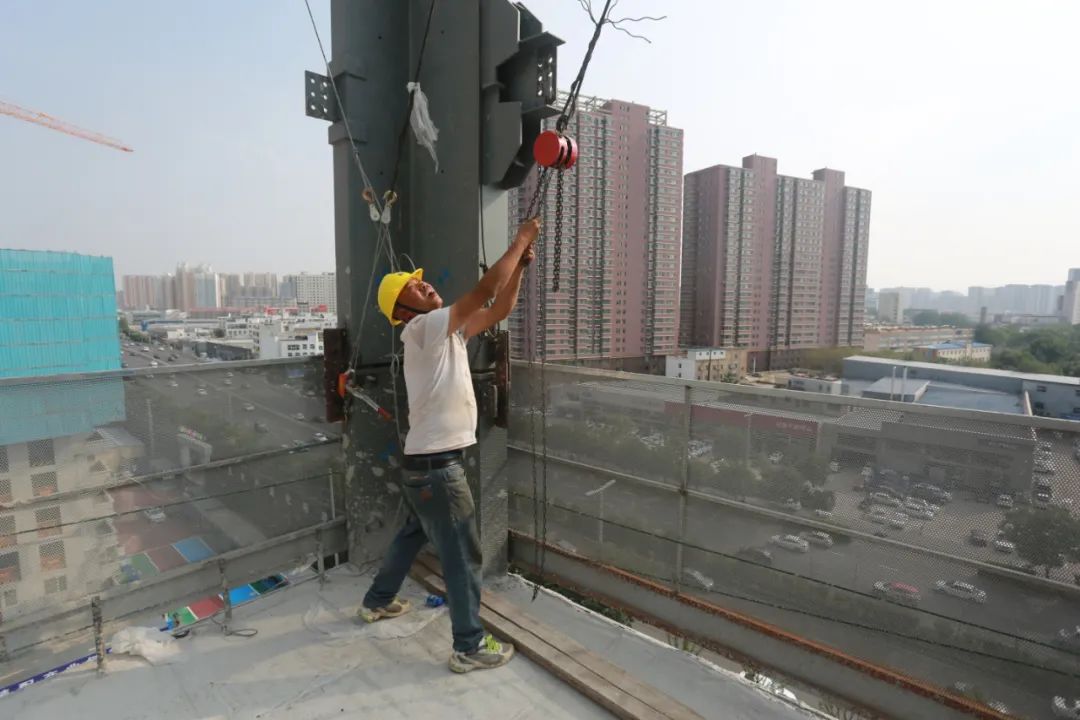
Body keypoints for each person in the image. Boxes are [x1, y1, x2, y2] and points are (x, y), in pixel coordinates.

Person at [358, 217, 540, 674]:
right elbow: (481, 294)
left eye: (423, 284)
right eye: (414, 289)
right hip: (439, 468)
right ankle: (468, 646)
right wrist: (519, 240)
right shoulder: (423, 330)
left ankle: (377, 602)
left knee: (411, 534)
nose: (426, 287)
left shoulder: (446, 334)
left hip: (425, 464)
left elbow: (496, 309)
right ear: (402, 310)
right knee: (462, 555)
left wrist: (519, 266)